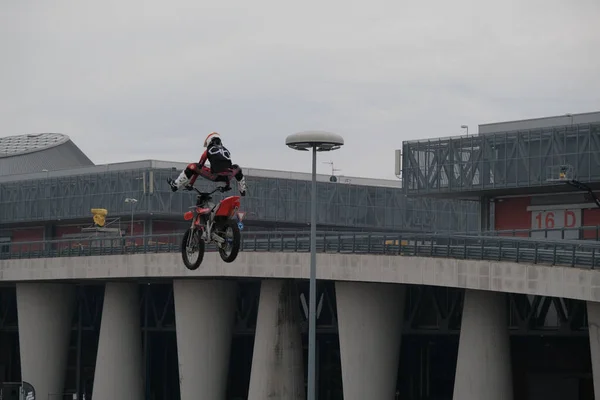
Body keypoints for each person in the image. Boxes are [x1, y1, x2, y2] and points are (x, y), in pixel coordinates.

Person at [167, 132, 247, 196]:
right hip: (228, 177)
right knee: (237, 167)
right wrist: (227, 186)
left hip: (214, 176)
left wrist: (191, 184)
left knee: (192, 166)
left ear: (209, 141)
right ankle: (242, 191)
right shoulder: (226, 151)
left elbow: (198, 168)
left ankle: (175, 185)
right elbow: (226, 169)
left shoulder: (207, 151)